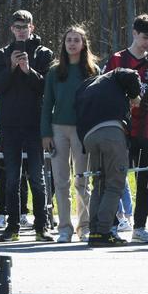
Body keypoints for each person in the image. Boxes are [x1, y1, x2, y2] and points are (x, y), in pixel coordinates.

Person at [0, 10, 53, 242]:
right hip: (10, 124)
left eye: (24, 27)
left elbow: (45, 87)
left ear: (32, 28)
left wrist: (28, 71)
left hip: (35, 123)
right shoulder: (1, 54)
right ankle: (12, 226)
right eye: (17, 27)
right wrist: (11, 68)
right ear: (11, 29)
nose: (21, 30)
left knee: (37, 177)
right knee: (12, 179)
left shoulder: (44, 53)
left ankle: (41, 227)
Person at [104, 14, 148, 243]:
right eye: (145, 37)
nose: (147, 43)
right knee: (114, 177)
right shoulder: (117, 60)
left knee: (146, 180)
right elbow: (105, 90)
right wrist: (125, 101)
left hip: (147, 129)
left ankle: (139, 227)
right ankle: (113, 224)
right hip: (120, 128)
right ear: (134, 33)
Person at [41, 26, 99, 243]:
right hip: (58, 130)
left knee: (83, 181)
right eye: (68, 41)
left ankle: (84, 226)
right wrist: (46, 133)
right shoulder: (55, 72)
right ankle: (64, 228)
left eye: (76, 40)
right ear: (64, 45)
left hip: (84, 132)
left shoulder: (93, 71)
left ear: (84, 44)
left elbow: (98, 104)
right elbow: (47, 104)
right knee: (61, 180)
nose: (72, 44)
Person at [75, 68, 142, 247]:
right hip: (111, 133)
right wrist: (135, 96)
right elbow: (132, 75)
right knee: (115, 183)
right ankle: (104, 231)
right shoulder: (115, 74)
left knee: (99, 183)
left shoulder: (87, 86)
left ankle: (95, 232)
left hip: (89, 137)